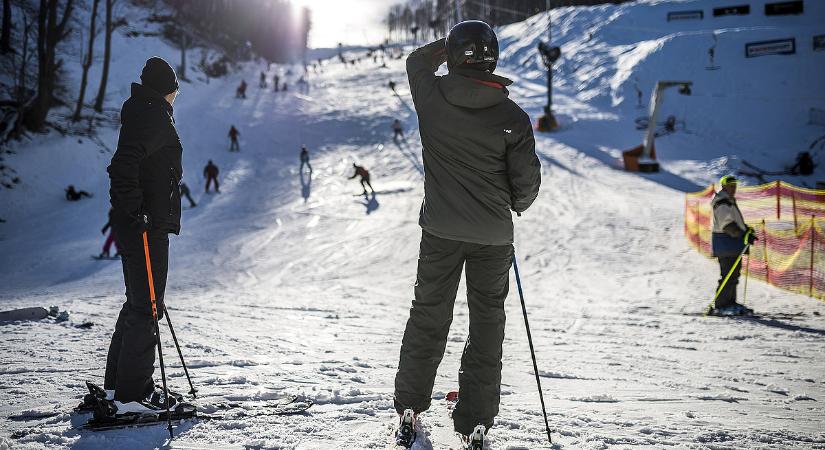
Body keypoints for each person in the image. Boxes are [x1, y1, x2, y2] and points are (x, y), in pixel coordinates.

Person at [392, 22, 541, 447]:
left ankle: (410, 406)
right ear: (493, 59)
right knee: (487, 322)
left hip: (440, 230)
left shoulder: (432, 97)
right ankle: (476, 420)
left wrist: (455, 47)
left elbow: (417, 60)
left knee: (429, 314)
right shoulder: (512, 117)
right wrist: (512, 205)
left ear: (455, 57)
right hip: (492, 237)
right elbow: (526, 185)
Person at [104, 56, 184, 414]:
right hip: (145, 228)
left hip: (140, 225)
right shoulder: (153, 115)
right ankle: (133, 395)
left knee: (139, 304)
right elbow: (123, 165)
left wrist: (134, 213)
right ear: (168, 90)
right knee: (147, 307)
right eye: (175, 91)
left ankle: (116, 389)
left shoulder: (144, 111)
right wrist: (138, 212)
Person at [710, 175, 756, 316]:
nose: (733, 188)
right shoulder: (722, 203)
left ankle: (730, 302)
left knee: (733, 275)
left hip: (731, 244)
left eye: (735, 185)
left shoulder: (728, 201)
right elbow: (727, 225)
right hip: (725, 243)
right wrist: (743, 235)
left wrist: (746, 230)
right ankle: (722, 304)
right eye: (731, 186)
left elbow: (735, 222)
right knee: (728, 275)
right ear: (723, 186)